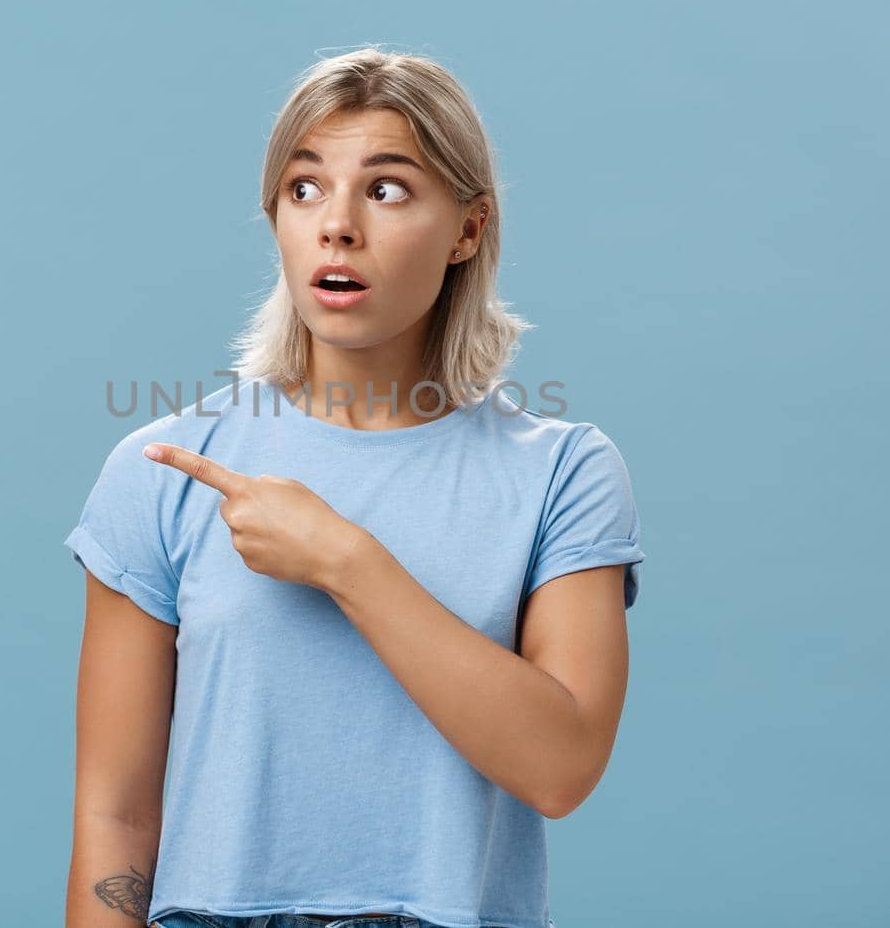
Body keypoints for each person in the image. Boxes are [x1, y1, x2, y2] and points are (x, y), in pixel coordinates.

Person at [64, 48, 646, 928]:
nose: (337, 225)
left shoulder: (561, 471)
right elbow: (115, 815)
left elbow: (560, 765)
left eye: (386, 189)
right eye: (305, 189)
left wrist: (346, 561)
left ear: (468, 229)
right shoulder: (167, 468)